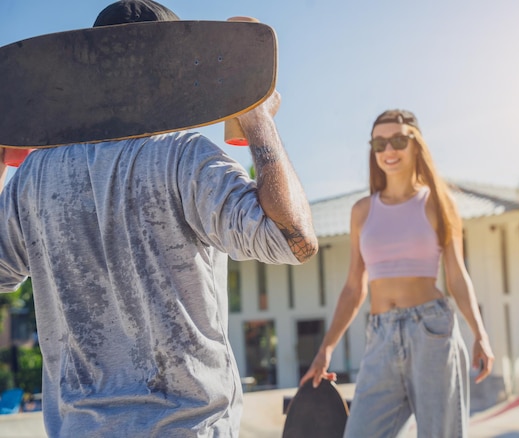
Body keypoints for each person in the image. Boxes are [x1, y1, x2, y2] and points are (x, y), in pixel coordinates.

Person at [0, 1, 317, 436]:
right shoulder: (185, 157)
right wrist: (257, 115)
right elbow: (292, 237)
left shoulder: (36, 174)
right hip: (190, 426)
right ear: (173, 70)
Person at [301, 109, 494, 437]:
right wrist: (326, 350)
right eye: (379, 143)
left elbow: (457, 276)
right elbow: (353, 287)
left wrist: (480, 333)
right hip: (381, 336)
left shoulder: (439, 204)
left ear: (416, 145)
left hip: (431, 333)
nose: (389, 150)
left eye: (398, 140)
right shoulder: (362, 212)